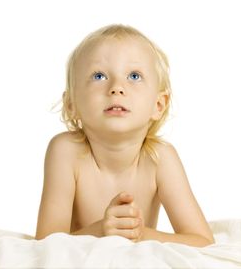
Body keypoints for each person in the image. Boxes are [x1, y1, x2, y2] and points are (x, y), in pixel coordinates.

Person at [35, 24, 214, 246]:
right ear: (72, 104)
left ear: (158, 104)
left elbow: (202, 241)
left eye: (134, 76)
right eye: (99, 76)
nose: (117, 87)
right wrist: (99, 230)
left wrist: (141, 234)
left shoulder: (160, 158)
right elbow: (45, 243)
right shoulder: (65, 151)